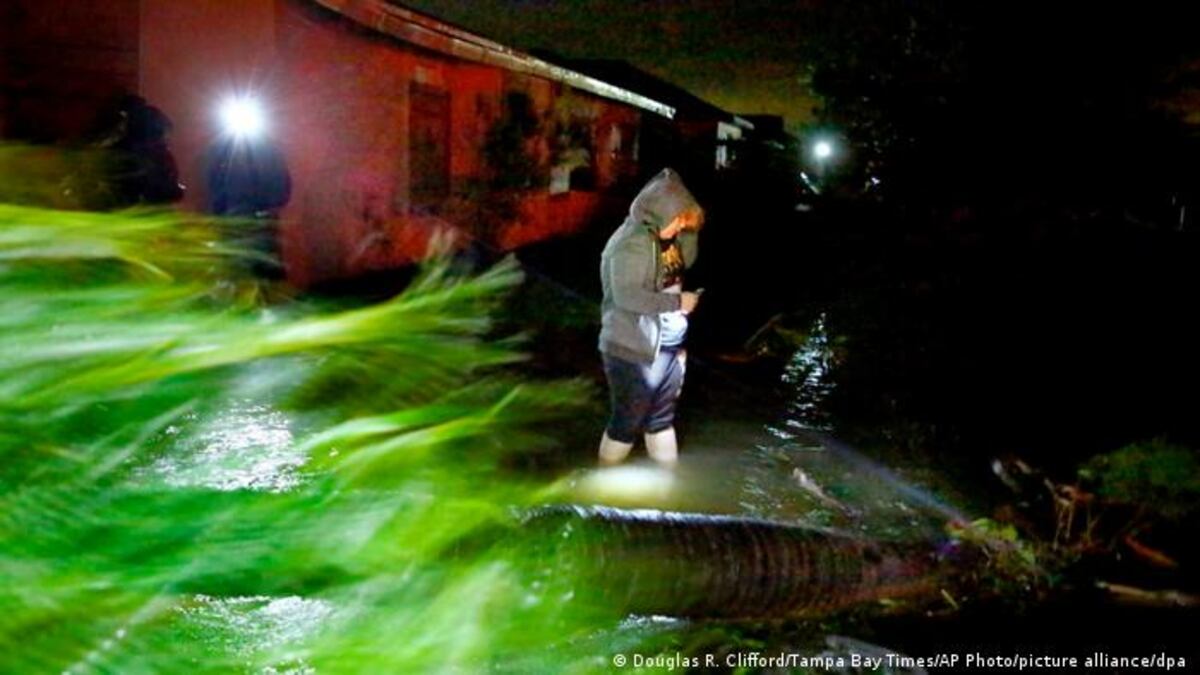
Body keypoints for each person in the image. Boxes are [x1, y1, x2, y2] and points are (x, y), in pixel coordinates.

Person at [597, 168, 704, 467]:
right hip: (630, 348)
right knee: (627, 421)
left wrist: (689, 230)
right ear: (658, 212)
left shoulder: (666, 238)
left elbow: (686, 261)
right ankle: (601, 485)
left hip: (667, 347)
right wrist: (677, 302)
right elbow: (627, 296)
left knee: (660, 419)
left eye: (684, 222)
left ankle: (668, 489)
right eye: (677, 221)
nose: (679, 228)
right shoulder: (630, 244)